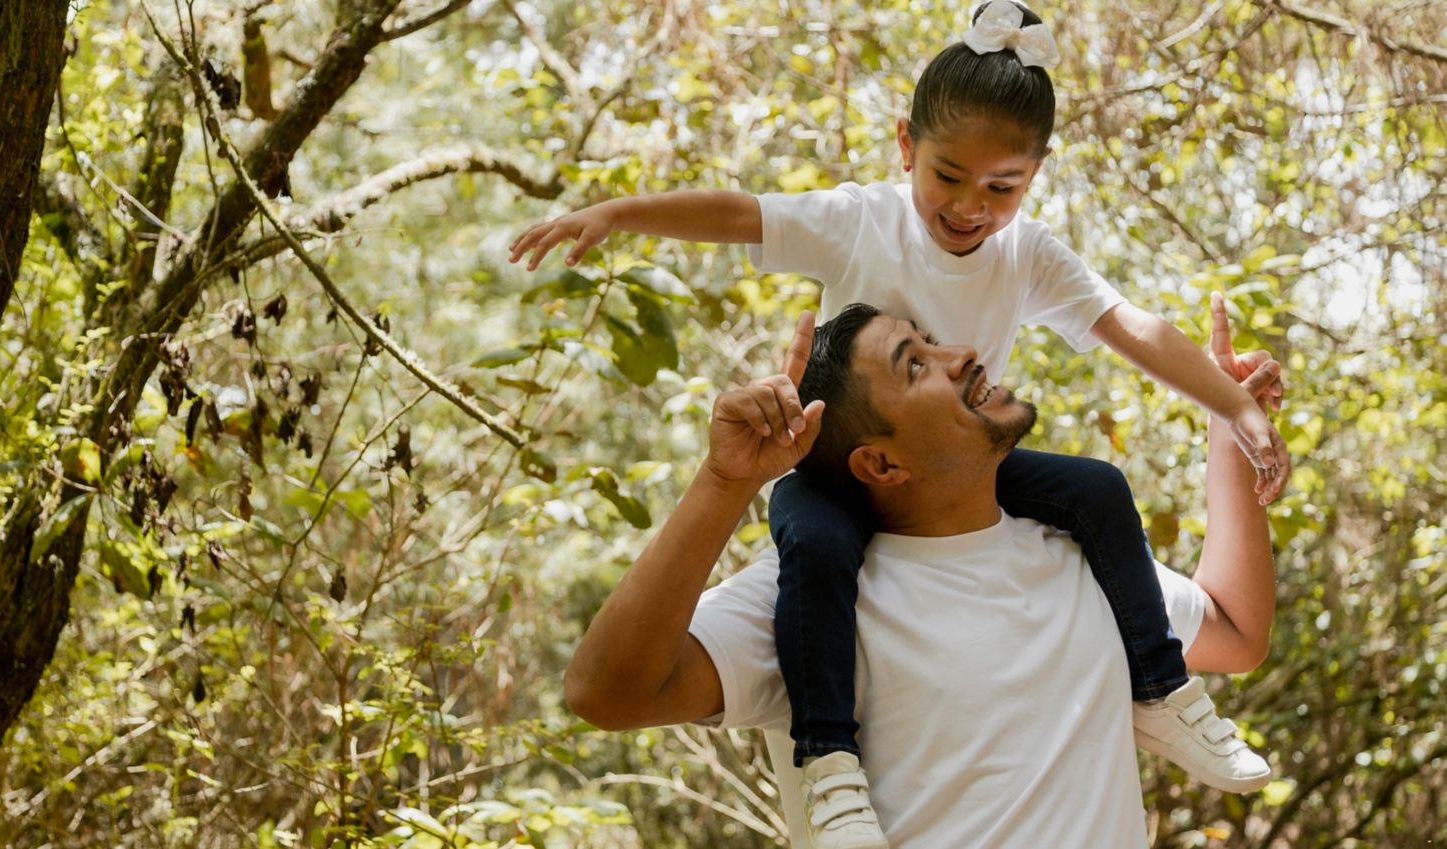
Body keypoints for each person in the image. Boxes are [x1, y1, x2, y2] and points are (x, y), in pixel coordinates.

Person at [516, 3, 1289, 846]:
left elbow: (1131, 326)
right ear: (904, 146)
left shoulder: (1027, 262)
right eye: (947, 176)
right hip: (835, 469)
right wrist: (616, 215)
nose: (968, 206)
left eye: (1001, 187)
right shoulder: (860, 221)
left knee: (1098, 487)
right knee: (812, 542)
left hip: (962, 472)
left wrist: (1233, 408)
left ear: (1034, 174)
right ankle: (828, 757)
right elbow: (740, 213)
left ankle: (1161, 689)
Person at [565, 300, 1281, 849]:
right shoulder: (814, 597)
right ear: (879, 463)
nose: (962, 354)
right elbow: (607, 691)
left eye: (932, 341)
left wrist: (1228, 428)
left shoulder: (1082, 550)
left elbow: (1237, 632)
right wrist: (724, 483)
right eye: (914, 364)